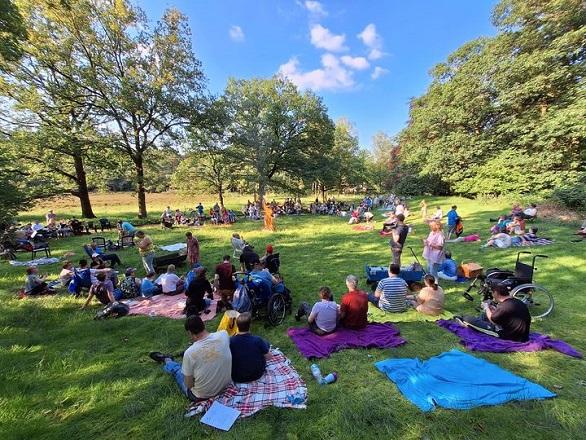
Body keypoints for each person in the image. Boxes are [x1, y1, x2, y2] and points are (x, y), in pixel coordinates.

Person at [148, 315, 232, 401]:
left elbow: (189, 385)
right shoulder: (223, 335)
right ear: (203, 325)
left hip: (201, 396)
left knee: (178, 370)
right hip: (226, 386)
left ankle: (167, 360)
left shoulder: (190, 353)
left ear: (189, 333)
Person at [457, 284, 531, 342]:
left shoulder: (504, 306)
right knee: (484, 315)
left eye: (492, 292)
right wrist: (492, 309)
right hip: (520, 335)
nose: (492, 295)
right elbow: (506, 316)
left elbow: (493, 320)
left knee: (467, 318)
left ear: (496, 293)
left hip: (507, 336)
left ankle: (469, 323)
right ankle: (478, 324)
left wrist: (486, 307)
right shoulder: (516, 301)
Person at [229, 312, 271, 383]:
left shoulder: (230, 341)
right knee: (266, 343)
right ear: (250, 325)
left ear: (237, 325)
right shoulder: (257, 340)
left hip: (237, 376)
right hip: (256, 374)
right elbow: (269, 357)